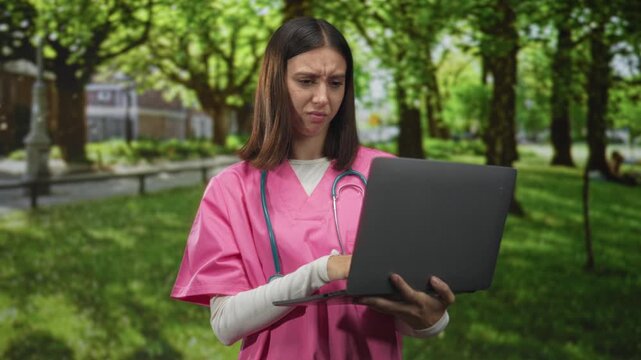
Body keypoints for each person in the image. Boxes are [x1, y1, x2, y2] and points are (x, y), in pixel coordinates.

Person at [171, 17, 455, 359]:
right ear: (274, 83)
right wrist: (321, 272)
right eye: (306, 81)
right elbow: (225, 324)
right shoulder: (230, 189)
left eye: (335, 82)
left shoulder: (386, 174)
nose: (323, 98)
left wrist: (431, 319)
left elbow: (401, 309)